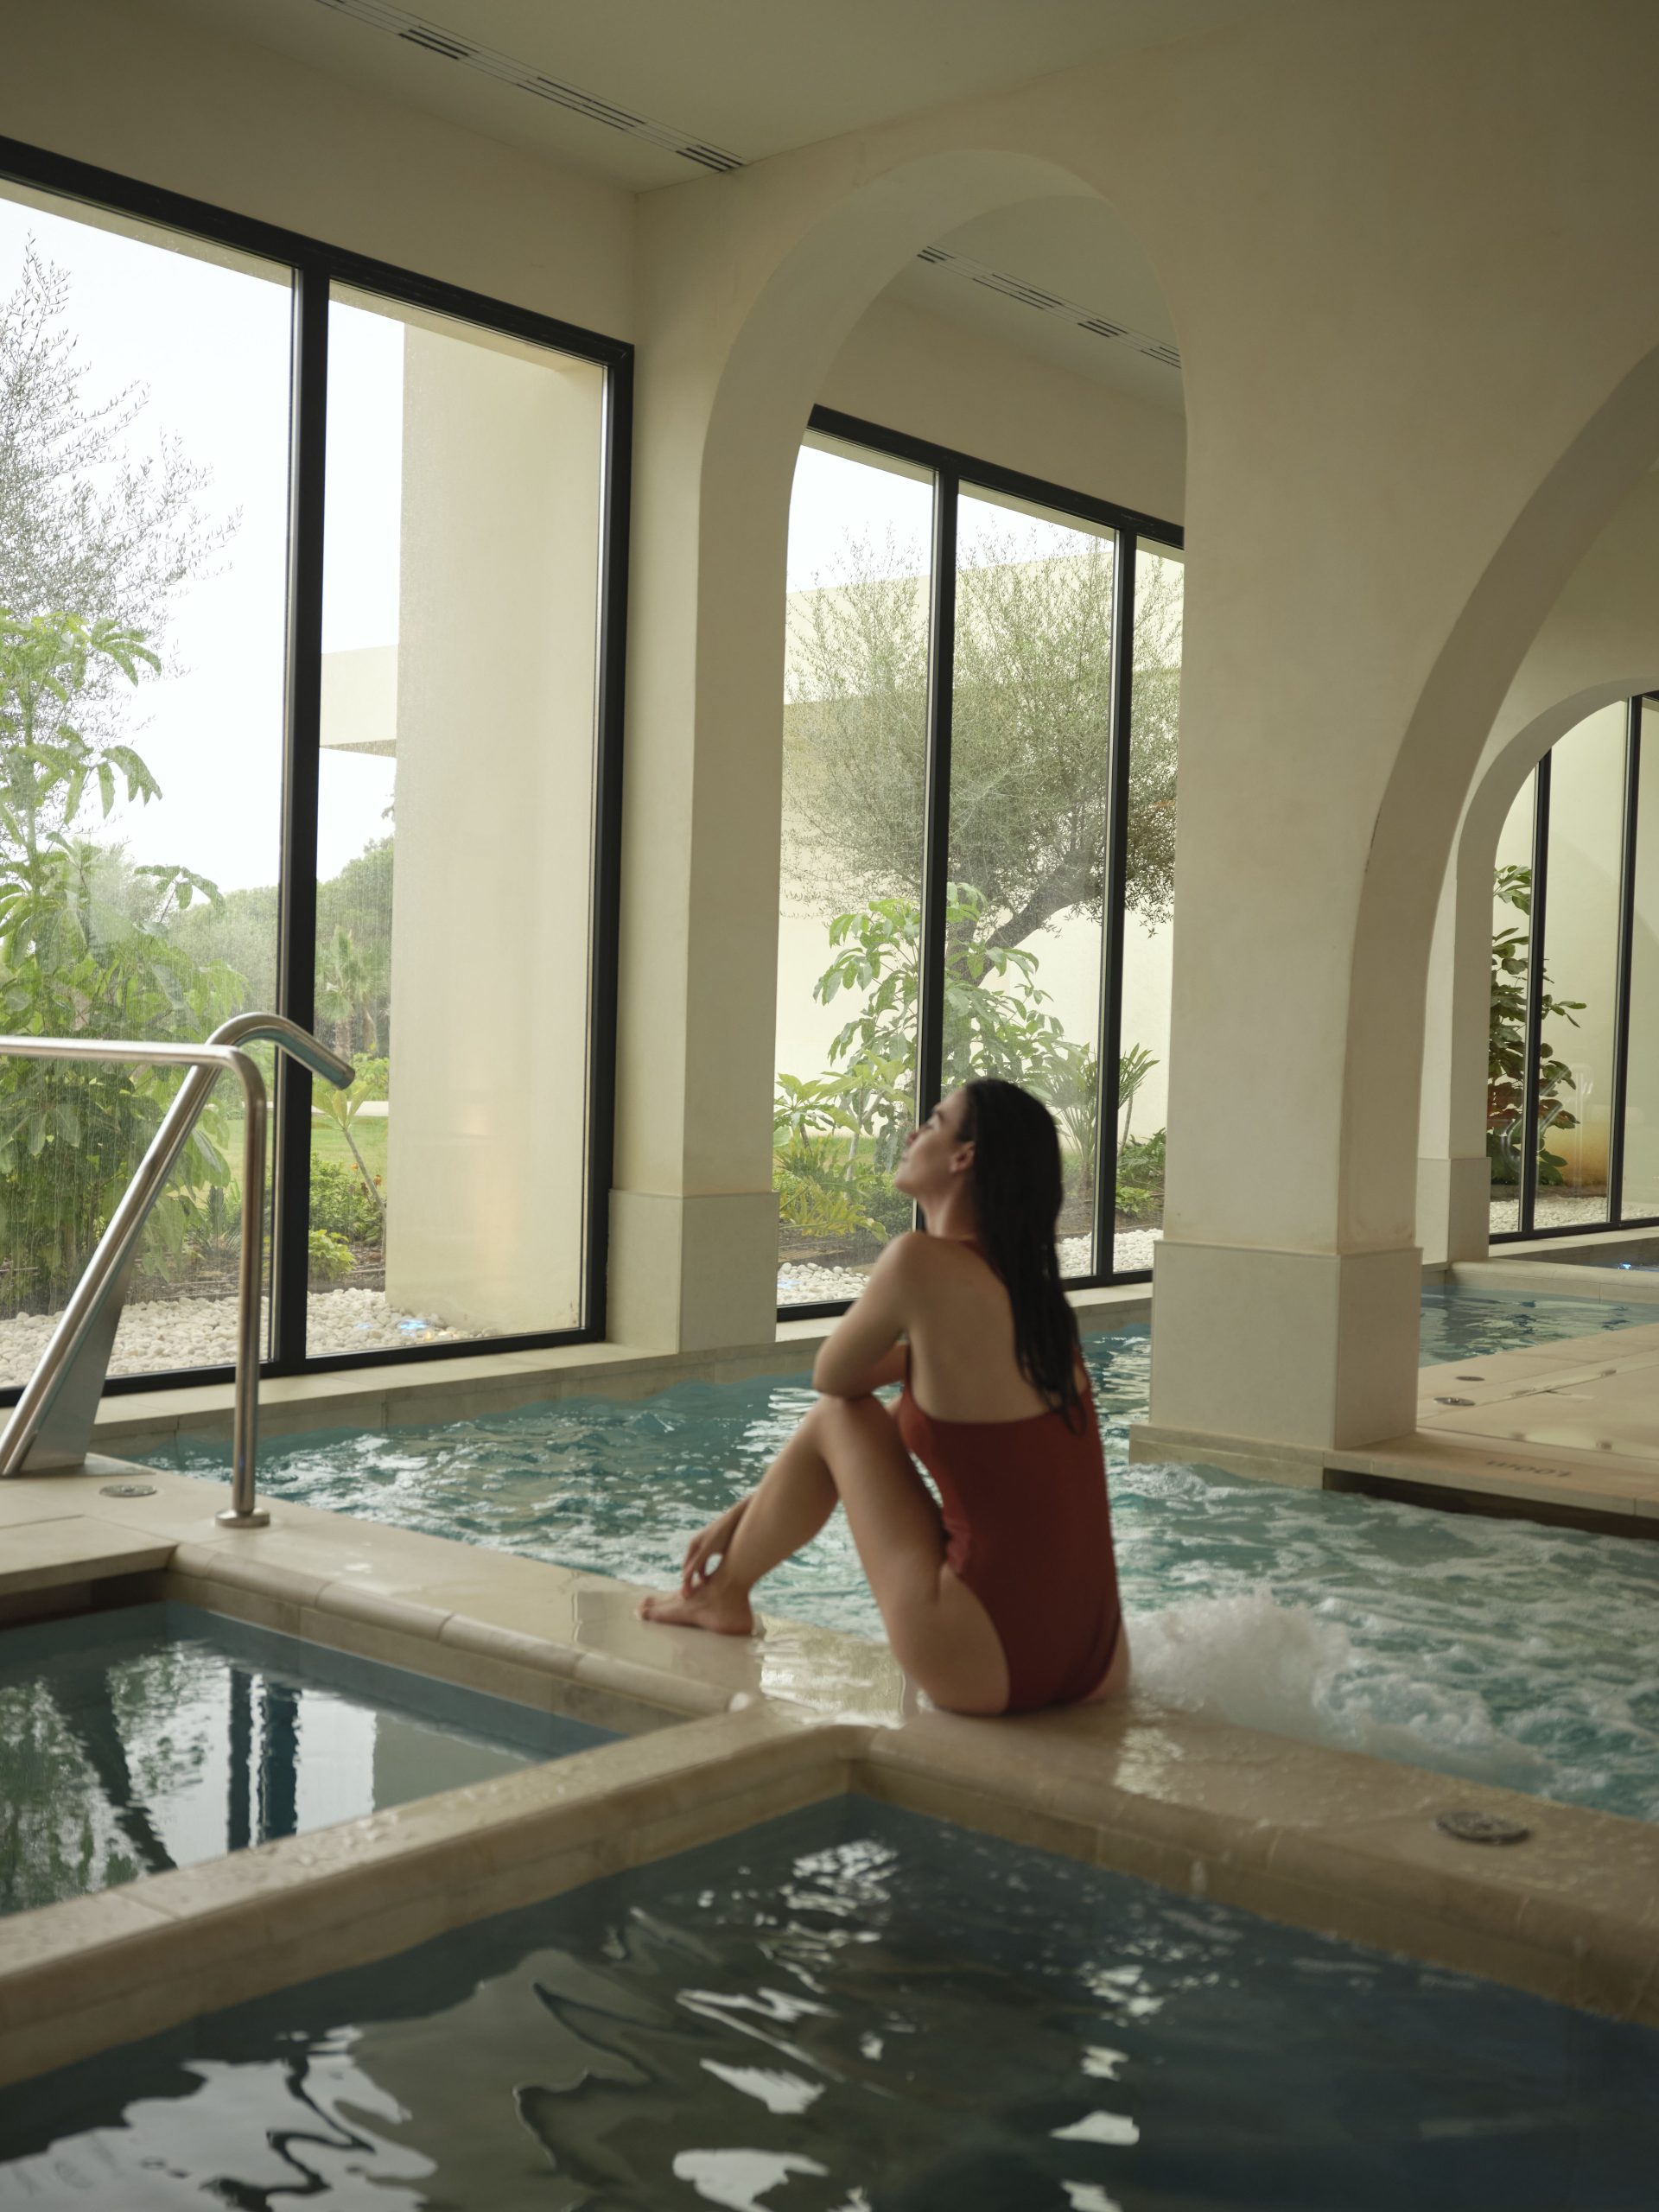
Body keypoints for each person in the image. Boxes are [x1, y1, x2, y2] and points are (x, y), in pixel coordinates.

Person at [639, 1077, 1128, 1716]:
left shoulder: (919, 1261)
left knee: (839, 1415)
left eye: (933, 1120)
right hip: (1096, 1662)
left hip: (983, 1663)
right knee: (857, 1423)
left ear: (964, 1156)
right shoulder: (1033, 1305)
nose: (910, 1133)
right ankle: (729, 1579)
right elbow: (912, 1438)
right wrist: (747, 1510)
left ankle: (720, 1595)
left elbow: (834, 1381)